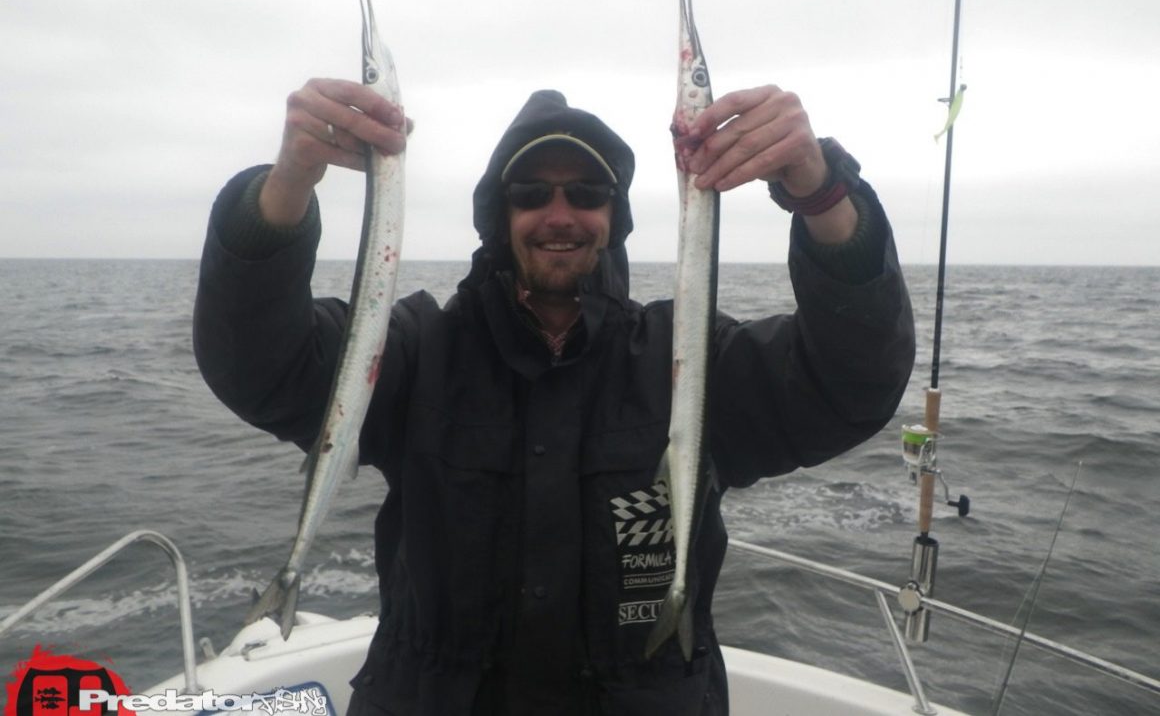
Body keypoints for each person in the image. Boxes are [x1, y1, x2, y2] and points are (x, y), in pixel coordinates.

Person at [193, 79, 915, 716]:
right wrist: (287, 185)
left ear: (614, 215)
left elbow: (849, 384)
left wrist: (823, 195)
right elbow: (259, 364)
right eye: (531, 193)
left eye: (587, 193)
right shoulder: (413, 350)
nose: (559, 213)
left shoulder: (690, 362)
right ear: (498, 219)